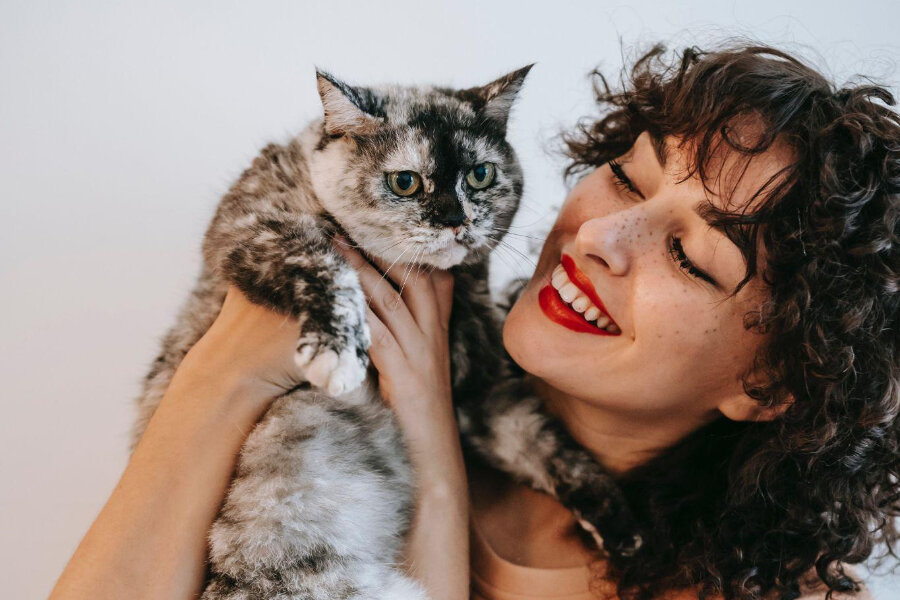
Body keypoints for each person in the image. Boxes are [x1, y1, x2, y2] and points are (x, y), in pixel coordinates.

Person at [49, 42, 899, 600]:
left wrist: (436, 461)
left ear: (774, 379)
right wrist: (223, 374)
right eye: (627, 178)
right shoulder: (345, 353)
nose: (598, 237)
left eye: (689, 256)